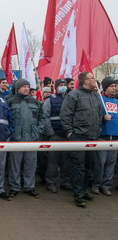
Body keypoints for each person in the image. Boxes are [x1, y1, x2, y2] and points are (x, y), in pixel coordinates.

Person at [60, 72, 106, 207]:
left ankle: (84, 190)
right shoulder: (74, 95)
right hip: (79, 136)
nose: (94, 80)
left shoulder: (95, 96)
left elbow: (98, 115)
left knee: (88, 166)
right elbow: (65, 114)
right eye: (92, 78)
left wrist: (98, 129)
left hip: (93, 137)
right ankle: (78, 194)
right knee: (78, 166)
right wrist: (69, 132)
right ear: (86, 81)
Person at [8, 79, 44, 198]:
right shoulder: (10, 101)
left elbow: (42, 118)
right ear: (17, 88)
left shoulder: (35, 102)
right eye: (24, 86)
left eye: (28, 87)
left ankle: (29, 187)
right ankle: (14, 187)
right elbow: (6, 119)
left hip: (32, 139)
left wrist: (38, 131)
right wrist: (10, 133)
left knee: (30, 165)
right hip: (16, 139)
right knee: (15, 165)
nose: (26, 89)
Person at [42, 78, 71, 192]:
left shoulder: (70, 98)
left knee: (67, 161)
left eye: (65, 85)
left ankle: (65, 182)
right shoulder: (50, 100)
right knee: (53, 162)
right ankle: (51, 183)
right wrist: (51, 132)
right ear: (56, 87)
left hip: (67, 135)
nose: (63, 86)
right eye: (61, 85)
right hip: (55, 135)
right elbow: (45, 117)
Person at [91, 77, 117, 196]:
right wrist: (102, 118)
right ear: (105, 88)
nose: (114, 88)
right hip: (103, 136)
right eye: (111, 86)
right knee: (100, 162)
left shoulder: (117, 102)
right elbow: (93, 116)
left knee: (111, 163)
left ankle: (106, 185)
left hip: (115, 137)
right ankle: (96, 184)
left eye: (114, 86)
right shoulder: (99, 100)